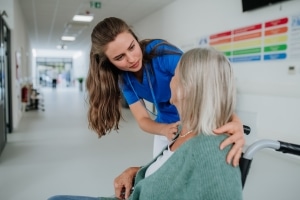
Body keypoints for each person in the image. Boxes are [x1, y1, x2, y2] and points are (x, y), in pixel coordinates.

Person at [48, 47, 243, 200]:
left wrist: (236, 122)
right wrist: (138, 172)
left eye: (174, 76)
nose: (169, 81)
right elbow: (170, 168)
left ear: (186, 88)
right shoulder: (183, 130)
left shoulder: (213, 151)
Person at [86, 17, 244, 161]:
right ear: (109, 62)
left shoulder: (161, 54)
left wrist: (235, 122)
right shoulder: (124, 79)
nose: (132, 59)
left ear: (135, 38)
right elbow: (142, 119)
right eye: (120, 57)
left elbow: (207, 87)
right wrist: (164, 130)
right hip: (166, 127)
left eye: (132, 47)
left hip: (196, 124)